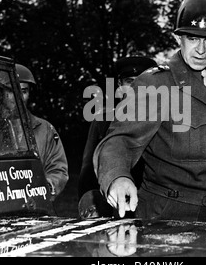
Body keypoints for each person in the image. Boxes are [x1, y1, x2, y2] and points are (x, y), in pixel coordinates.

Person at [93, 0, 206, 222]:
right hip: (168, 215)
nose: (201, 49)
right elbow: (120, 139)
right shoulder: (158, 82)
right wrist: (117, 177)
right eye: (192, 38)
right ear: (177, 38)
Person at [78, 56, 157, 218]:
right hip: (116, 202)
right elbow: (88, 169)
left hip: (154, 205)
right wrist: (91, 202)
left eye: (142, 81)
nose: (135, 87)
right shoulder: (103, 120)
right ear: (120, 85)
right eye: (129, 81)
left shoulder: (164, 117)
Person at [14, 64, 69, 200]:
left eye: (24, 91)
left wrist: (46, 186)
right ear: (1, 92)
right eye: (11, 90)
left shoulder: (45, 129)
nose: (18, 97)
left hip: (34, 205)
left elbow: (58, 170)